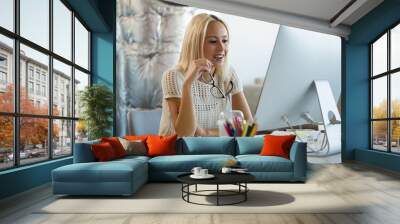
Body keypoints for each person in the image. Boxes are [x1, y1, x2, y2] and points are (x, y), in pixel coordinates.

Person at [159, 13, 253, 136]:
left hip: (215, 149)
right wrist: (187, 85)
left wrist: (206, 132)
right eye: (213, 41)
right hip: (178, 153)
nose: (221, 48)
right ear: (195, 44)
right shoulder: (172, 76)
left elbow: (248, 128)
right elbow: (185, 134)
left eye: (225, 40)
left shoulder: (228, 74)